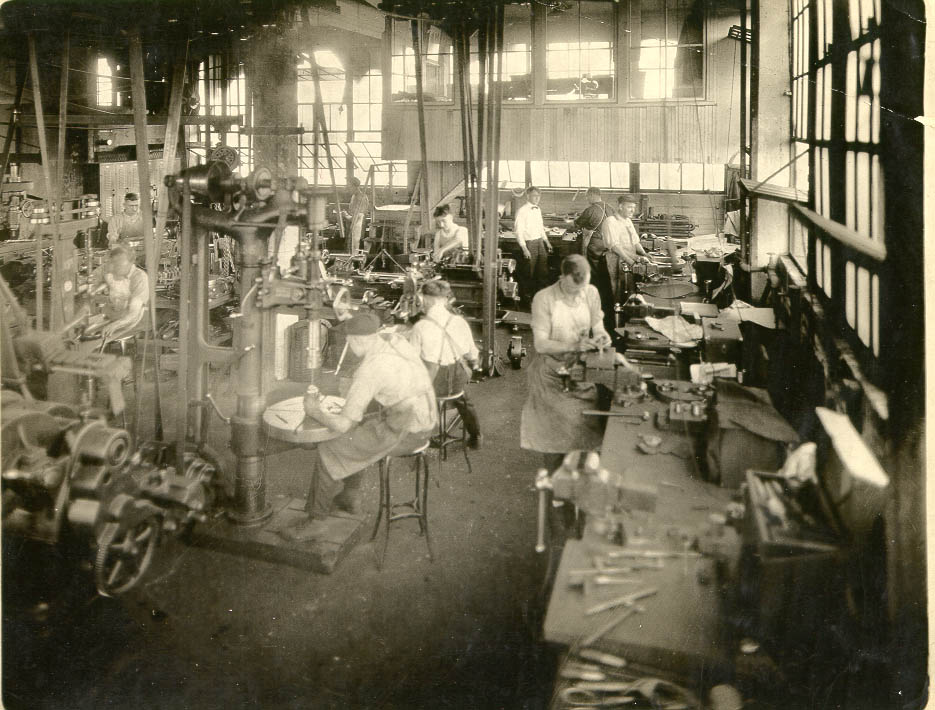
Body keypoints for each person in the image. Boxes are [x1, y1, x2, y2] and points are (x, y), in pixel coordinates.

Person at [282, 311, 437, 541]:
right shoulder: (394, 340)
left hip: (408, 430)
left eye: (348, 340)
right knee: (360, 432)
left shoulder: (370, 370)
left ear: (356, 340)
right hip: (424, 416)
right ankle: (350, 497)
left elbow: (343, 425)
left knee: (330, 446)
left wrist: (315, 411)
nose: (348, 344)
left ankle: (316, 522)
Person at [521, 254, 617, 472]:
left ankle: (577, 482)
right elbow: (541, 345)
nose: (580, 294)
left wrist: (602, 337)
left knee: (585, 433)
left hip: (580, 372)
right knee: (554, 440)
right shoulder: (544, 299)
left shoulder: (590, 292)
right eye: (575, 289)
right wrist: (575, 345)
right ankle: (554, 482)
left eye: (583, 288)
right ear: (563, 278)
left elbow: (598, 326)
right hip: (551, 375)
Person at [409, 280, 482, 449]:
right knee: (463, 399)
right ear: (444, 299)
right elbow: (472, 354)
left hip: (435, 381)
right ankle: (476, 436)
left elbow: (412, 359)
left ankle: (427, 436)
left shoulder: (420, 327)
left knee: (418, 394)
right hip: (457, 379)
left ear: (426, 299)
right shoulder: (459, 322)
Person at [574, 187, 617, 334]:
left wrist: (574, 220)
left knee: (592, 272)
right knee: (604, 272)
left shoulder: (591, 210)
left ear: (593, 195)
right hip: (607, 245)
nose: (587, 199)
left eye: (587, 196)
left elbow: (579, 224)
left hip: (594, 244)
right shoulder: (610, 208)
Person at [89, 244, 150, 340]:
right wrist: (91, 287)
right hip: (111, 313)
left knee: (97, 339)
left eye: (119, 264)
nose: (114, 268)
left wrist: (115, 325)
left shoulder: (140, 278)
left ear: (131, 262)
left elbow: (133, 313)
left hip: (131, 319)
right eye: (113, 262)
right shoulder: (109, 267)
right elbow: (91, 281)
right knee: (84, 329)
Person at [513, 186, 553, 301]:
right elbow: (518, 232)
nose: (537, 198)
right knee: (528, 272)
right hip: (529, 244)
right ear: (527, 196)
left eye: (538, 196)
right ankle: (527, 298)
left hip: (540, 242)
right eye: (534, 196)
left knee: (543, 271)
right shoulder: (522, 211)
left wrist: (547, 242)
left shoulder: (538, 209)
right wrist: (524, 249)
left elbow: (540, 227)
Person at [342, 177, 370, 254]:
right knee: (350, 251)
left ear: (355, 186)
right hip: (353, 228)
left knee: (355, 252)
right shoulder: (354, 196)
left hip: (357, 229)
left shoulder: (361, 198)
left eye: (349, 186)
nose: (347, 188)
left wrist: (345, 215)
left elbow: (356, 218)